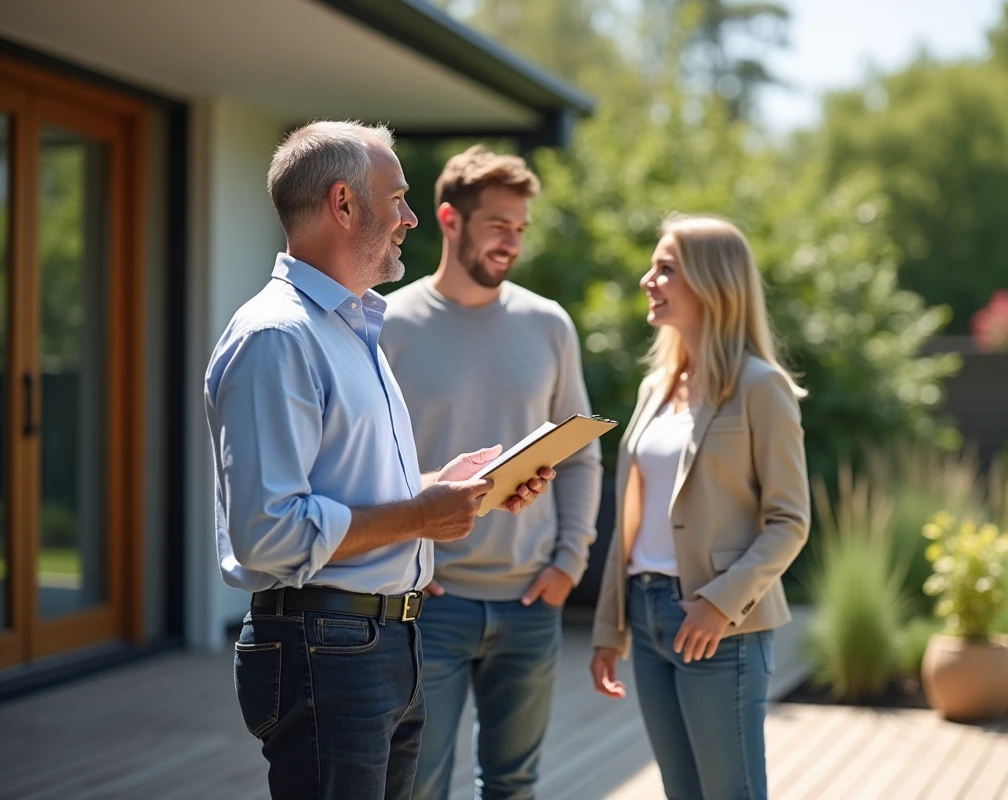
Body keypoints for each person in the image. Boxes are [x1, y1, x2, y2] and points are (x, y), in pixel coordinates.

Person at [204, 121, 553, 800]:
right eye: (396, 198)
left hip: (378, 642)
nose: (410, 217)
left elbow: (350, 489)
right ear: (343, 204)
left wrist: (450, 491)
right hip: (327, 646)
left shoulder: (354, 328)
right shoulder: (278, 337)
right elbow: (270, 532)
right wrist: (420, 514)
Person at [379, 145, 603, 800]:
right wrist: (405, 558)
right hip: (429, 603)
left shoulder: (548, 324)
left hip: (531, 602)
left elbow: (581, 453)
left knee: (515, 786)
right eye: (498, 225)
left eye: (520, 228)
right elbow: (367, 464)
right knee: (419, 786)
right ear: (450, 220)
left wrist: (569, 563)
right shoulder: (389, 326)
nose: (512, 241)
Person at [588, 213, 811, 800]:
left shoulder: (762, 388)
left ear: (712, 283)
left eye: (665, 269)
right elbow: (634, 516)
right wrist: (610, 626)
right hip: (647, 611)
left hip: (719, 628)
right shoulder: (653, 389)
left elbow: (790, 521)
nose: (647, 280)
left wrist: (720, 605)